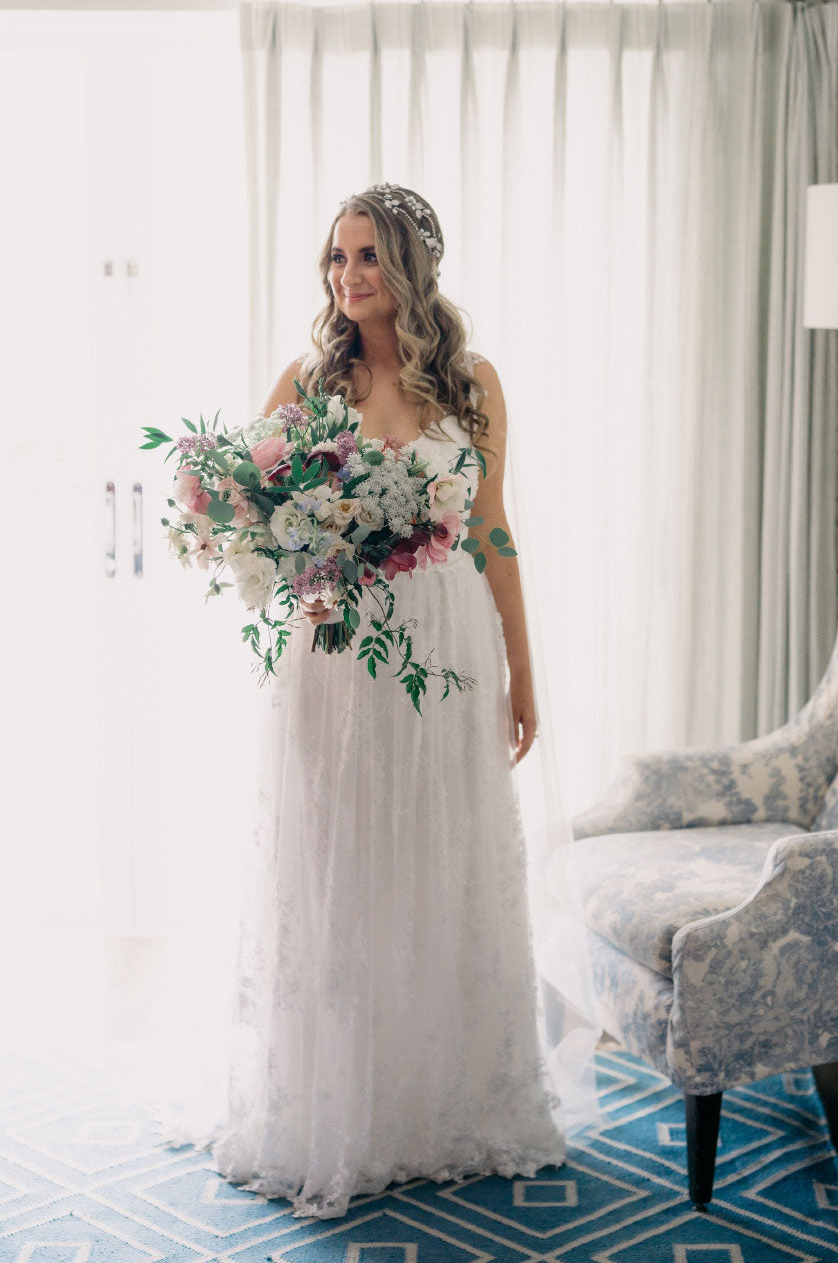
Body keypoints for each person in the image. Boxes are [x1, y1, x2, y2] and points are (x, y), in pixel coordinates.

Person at [189, 183, 579, 1218]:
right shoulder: (308, 379)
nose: (347, 277)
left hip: (444, 649)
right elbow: (251, 515)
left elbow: (491, 530)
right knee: (339, 858)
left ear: (409, 266)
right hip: (337, 651)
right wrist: (266, 527)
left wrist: (523, 673)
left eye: (366, 256)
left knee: (438, 856)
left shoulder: (474, 384)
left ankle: (436, 1098)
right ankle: (335, 1104)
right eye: (335, 258)